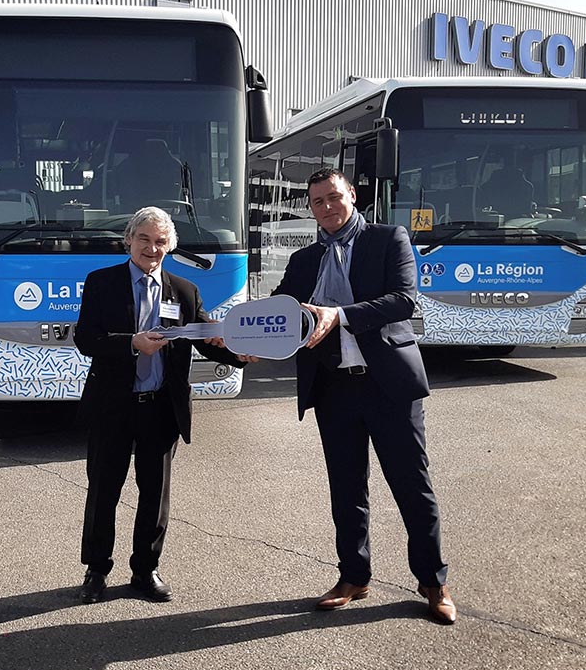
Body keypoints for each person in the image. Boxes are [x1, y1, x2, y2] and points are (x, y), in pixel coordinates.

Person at [271, 167, 455, 624]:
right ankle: (354, 575)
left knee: (413, 487)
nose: (327, 207)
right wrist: (239, 335)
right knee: (346, 489)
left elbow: (404, 300)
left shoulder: (388, 239)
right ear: (311, 209)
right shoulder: (305, 260)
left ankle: (433, 583)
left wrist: (340, 316)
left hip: (387, 384)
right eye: (317, 202)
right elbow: (279, 311)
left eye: (334, 196)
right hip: (333, 388)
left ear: (351, 195)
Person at [73, 206, 244, 604]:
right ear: (129, 241)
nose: (152, 248)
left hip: (160, 409)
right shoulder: (102, 283)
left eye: (161, 242)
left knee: (155, 494)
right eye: (145, 239)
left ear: (171, 246)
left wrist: (240, 353)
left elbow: (205, 339)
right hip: (113, 406)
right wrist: (132, 342)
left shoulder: (184, 291)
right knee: (103, 491)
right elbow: (86, 340)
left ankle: (145, 570)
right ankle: (96, 570)